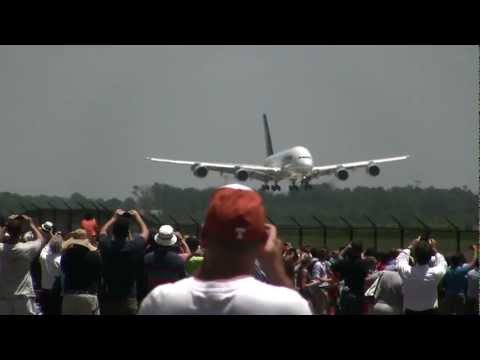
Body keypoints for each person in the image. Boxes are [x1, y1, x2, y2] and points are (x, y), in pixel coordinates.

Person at [138, 184, 311, 315]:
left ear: (203, 236)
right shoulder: (286, 305)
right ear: (263, 242)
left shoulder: (161, 303)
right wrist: (275, 268)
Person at [98, 209, 149, 315]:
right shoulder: (133, 247)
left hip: (109, 296)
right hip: (129, 297)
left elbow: (102, 232)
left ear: (113, 232)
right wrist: (137, 217)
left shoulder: (107, 245)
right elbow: (145, 233)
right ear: (127, 233)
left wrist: (114, 217)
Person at [0, 214, 47, 315]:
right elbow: (41, 240)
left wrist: (6, 225)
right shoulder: (27, 249)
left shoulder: (1, 249)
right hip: (23, 298)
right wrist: (31, 224)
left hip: (3, 299)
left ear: (7, 231)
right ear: (20, 232)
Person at [397, 237, 447, 314]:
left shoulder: (407, 271)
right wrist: (434, 250)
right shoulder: (435, 273)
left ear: (415, 256)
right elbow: (443, 263)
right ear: (430, 257)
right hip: (430, 311)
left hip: (410, 311)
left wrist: (410, 246)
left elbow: (400, 260)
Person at [60, 229, 102, 315]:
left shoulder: (66, 255)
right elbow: (99, 274)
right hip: (89, 295)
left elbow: (63, 271)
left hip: (70, 295)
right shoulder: (95, 256)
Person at [143, 225, 187, 293]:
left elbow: (143, 279)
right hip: (171, 295)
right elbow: (182, 279)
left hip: (152, 294)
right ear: (172, 241)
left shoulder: (147, 258)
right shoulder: (178, 260)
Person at [331, 242, 369, 315]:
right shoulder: (363, 263)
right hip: (358, 294)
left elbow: (333, 265)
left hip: (346, 292)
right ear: (360, 251)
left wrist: (344, 250)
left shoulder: (345, 262)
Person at [441, 250, 477, 314]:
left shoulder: (446, 270)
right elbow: (473, 262)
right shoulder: (462, 270)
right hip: (460, 296)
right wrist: (475, 251)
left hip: (449, 295)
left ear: (451, 261)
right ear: (460, 262)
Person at [38, 231, 63, 315]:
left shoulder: (43, 257)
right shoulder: (62, 260)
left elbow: (46, 248)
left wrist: (53, 237)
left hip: (45, 291)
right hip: (58, 292)